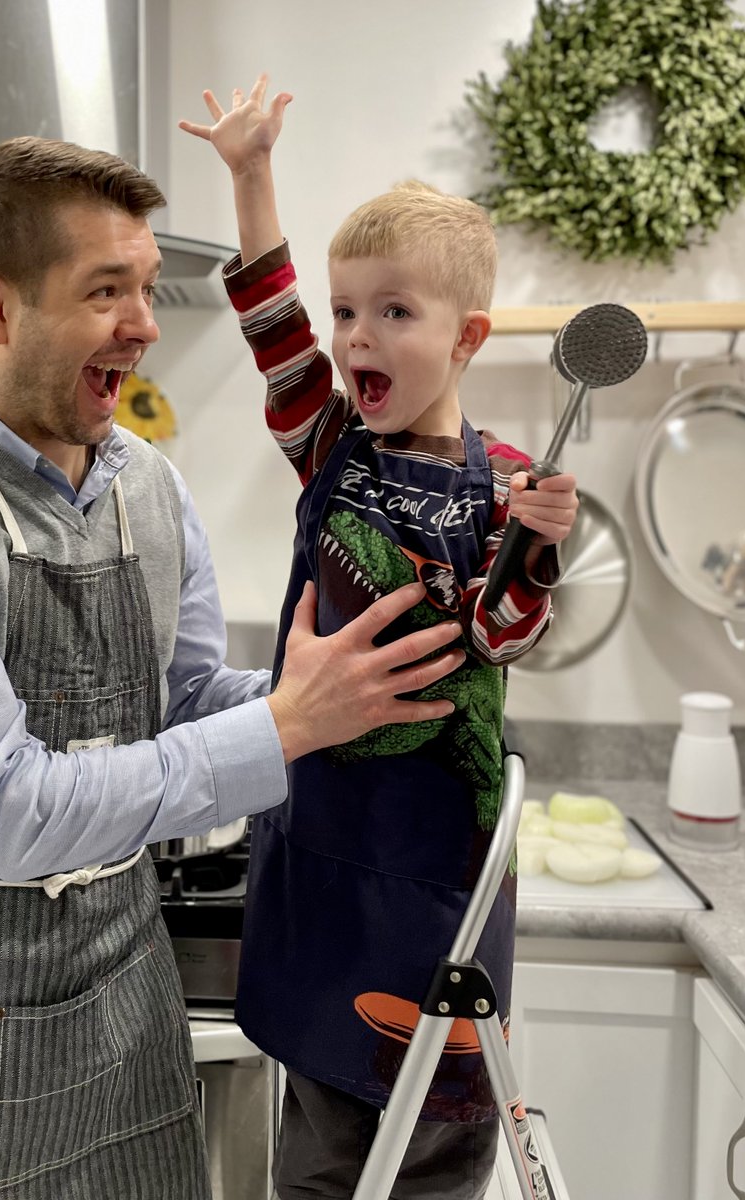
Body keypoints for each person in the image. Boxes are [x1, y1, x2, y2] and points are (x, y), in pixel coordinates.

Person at [0, 136, 472, 1200]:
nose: (145, 322)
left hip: (117, 1025)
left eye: (145, 287)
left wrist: (383, 703)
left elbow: (182, 702)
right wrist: (287, 724)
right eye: (107, 291)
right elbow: (14, 811)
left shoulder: (149, 486)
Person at [181, 77, 580, 1199]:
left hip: (439, 859)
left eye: (394, 312)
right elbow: (270, 321)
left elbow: (506, 635)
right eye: (348, 310)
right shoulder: (329, 440)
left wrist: (538, 544)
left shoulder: (509, 482)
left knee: (434, 1138)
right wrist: (252, 174)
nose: (358, 334)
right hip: (321, 834)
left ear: (468, 339)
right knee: (318, 1150)